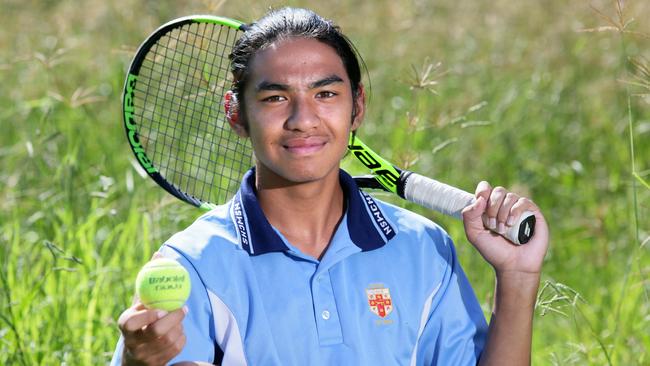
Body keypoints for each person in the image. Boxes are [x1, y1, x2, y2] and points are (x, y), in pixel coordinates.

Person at [111, 7, 549, 366]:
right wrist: (138, 364)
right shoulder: (193, 264)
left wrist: (517, 278)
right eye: (274, 98)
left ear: (356, 107)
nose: (303, 119)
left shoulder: (423, 249)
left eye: (325, 94)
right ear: (236, 114)